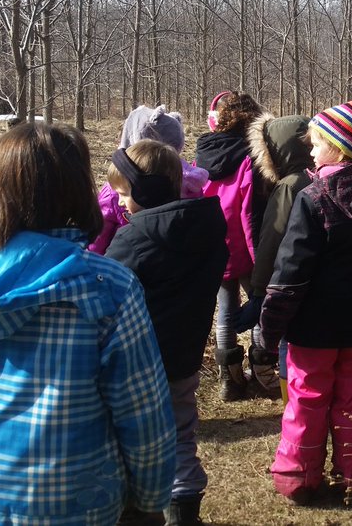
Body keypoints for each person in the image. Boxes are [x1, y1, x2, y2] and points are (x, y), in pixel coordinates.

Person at [0, 122, 175, 526]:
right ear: (75, 190)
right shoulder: (106, 285)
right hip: (80, 497)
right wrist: (150, 498)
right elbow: (141, 407)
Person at [256, 96, 352, 504]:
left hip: (314, 326)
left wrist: (268, 330)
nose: (309, 148)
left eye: (316, 141)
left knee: (307, 400)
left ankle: (299, 478)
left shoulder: (315, 197)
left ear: (337, 146)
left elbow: (290, 275)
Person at [104, 140, 228, 526]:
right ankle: (185, 512)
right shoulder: (207, 226)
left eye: (124, 194)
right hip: (185, 356)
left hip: (139, 363)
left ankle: (138, 507)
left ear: (146, 191)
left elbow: (105, 291)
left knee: (128, 439)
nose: (121, 204)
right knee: (179, 436)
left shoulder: (134, 238)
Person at [195, 91, 268, 400]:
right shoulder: (251, 156)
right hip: (245, 247)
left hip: (215, 244)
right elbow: (249, 211)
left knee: (225, 311)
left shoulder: (202, 153)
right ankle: (263, 371)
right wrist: (261, 257)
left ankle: (230, 379)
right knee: (259, 307)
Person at [240, 112, 315, 401]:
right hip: (316, 280)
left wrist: (259, 291)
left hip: (288, 279)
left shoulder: (288, 186)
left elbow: (273, 239)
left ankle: (291, 397)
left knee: (288, 341)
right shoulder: (318, 174)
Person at [89, 105, 208, 255]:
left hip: (124, 266)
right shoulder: (191, 183)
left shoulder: (117, 187)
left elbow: (97, 239)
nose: (121, 200)